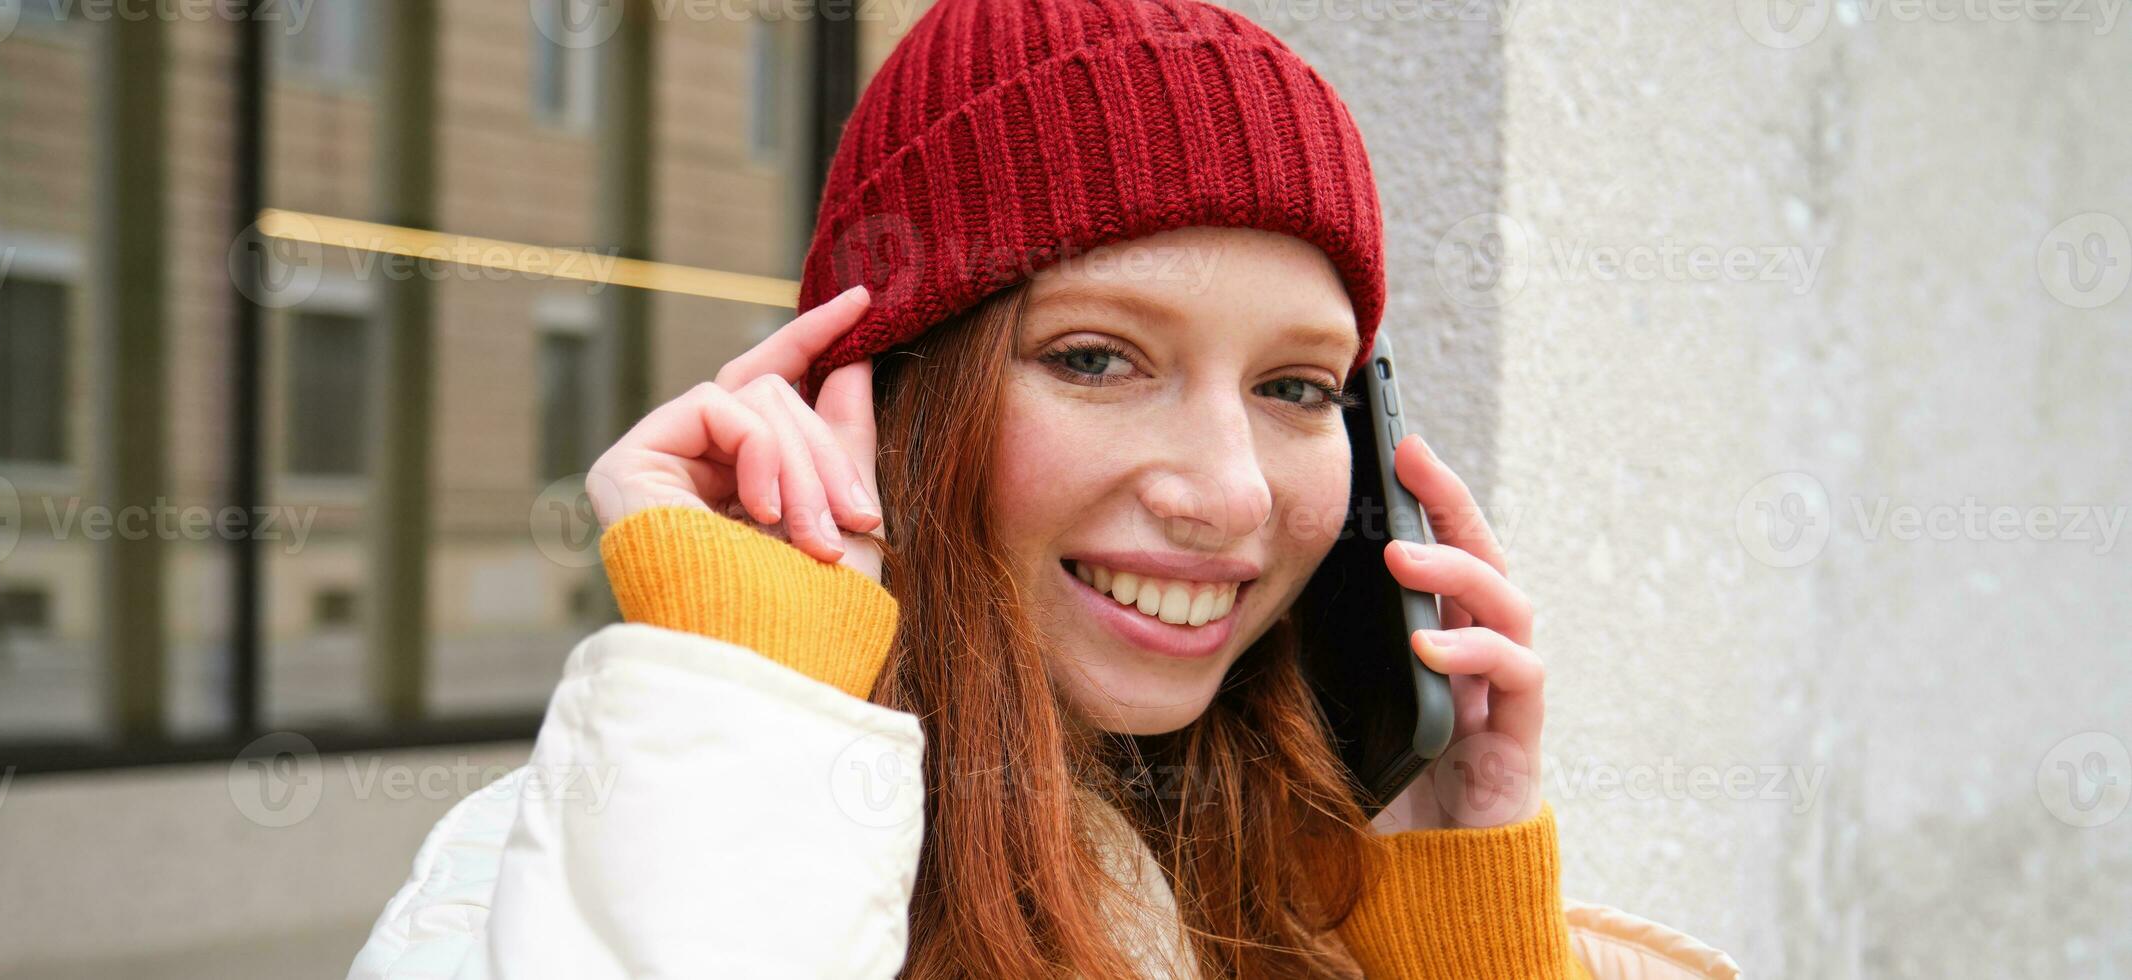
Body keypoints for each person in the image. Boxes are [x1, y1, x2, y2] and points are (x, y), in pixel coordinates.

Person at [348, 1, 1735, 976]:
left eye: (1297, 388)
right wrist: (748, 716)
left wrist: (1458, 923)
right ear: (874, 401)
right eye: (1096, 358)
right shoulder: (585, 858)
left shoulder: (1314, 890)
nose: (1231, 493)